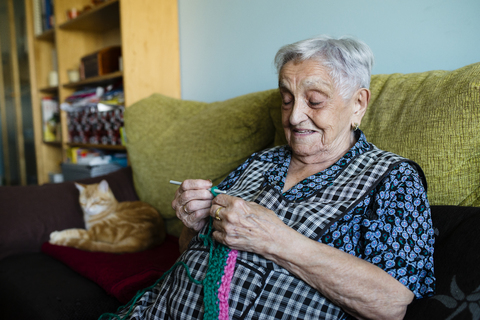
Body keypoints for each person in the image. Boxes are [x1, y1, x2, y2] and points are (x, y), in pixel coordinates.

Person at [117, 35, 435, 320]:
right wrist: (196, 224)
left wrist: (277, 241)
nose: (294, 116)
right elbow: (192, 250)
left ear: (358, 104)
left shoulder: (393, 178)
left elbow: (391, 304)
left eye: (315, 101)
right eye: (286, 99)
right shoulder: (260, 162)